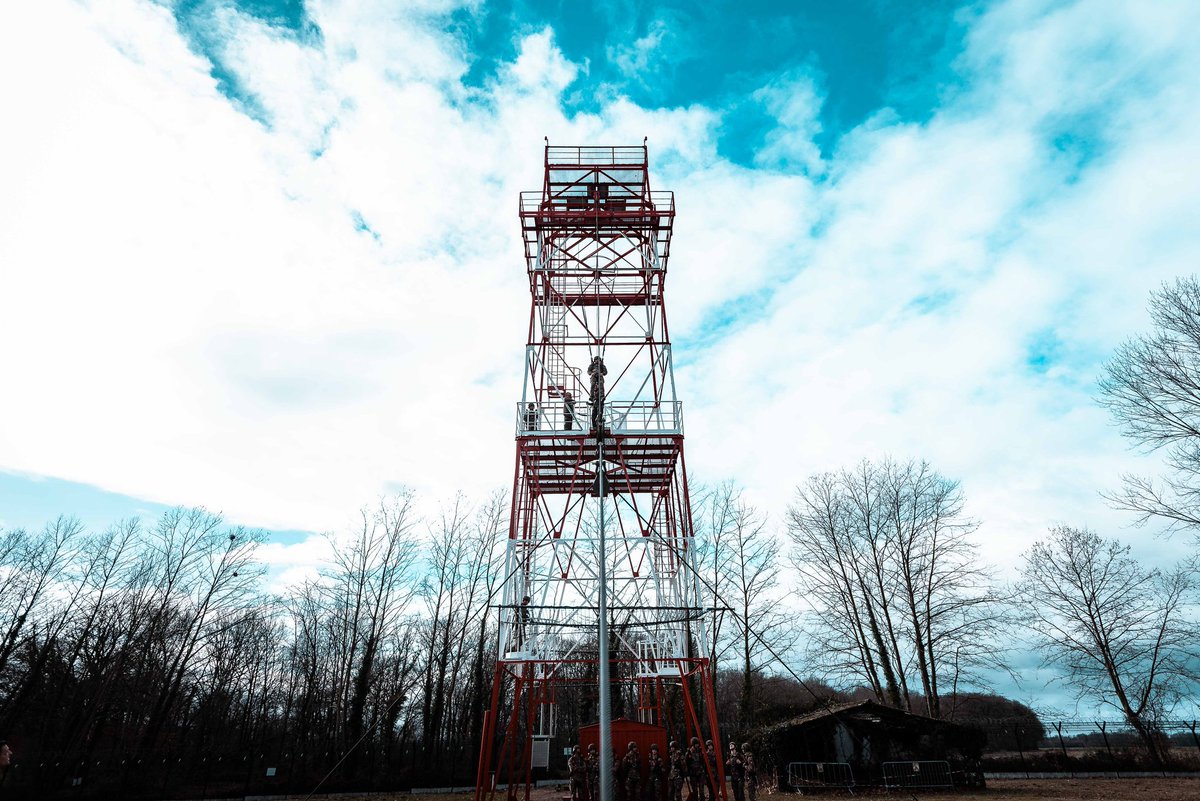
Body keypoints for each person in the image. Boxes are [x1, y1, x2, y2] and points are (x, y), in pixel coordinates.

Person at [587, 356, 607, 432]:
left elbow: (605, 372)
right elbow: (588, 371)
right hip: (594, 374)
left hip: (600, 375)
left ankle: (602, 395)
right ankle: (591, 396)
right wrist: (592, 373)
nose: (597, 361)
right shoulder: (592, 365)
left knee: (601, 384)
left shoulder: (602, 366)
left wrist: (601, 371)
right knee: (592, 385)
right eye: (595, 360)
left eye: (598, 360)